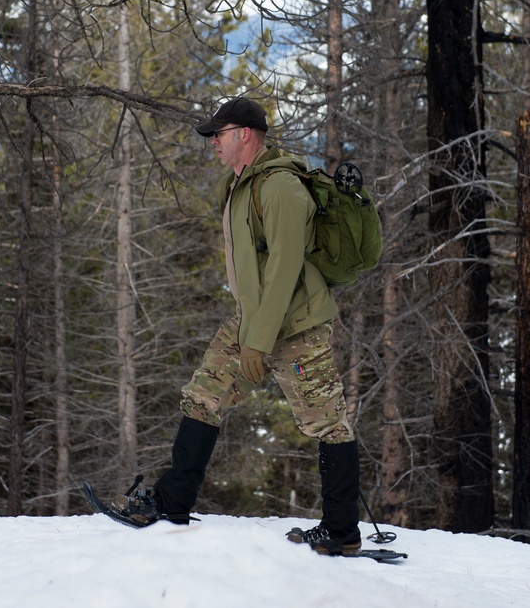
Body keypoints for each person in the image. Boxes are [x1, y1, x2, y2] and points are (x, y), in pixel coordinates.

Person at [109, 97, 362, 555]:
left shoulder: (281, 186)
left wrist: (258, 343)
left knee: (327, 422)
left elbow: (285, 267)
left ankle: (343, 530)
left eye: (218, 134)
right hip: (252, 315)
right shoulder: (241, 185)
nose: (212, 143)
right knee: (204, 395)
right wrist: (248, 328)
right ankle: (172, 501)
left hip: (296, 324)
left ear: (245, 133)